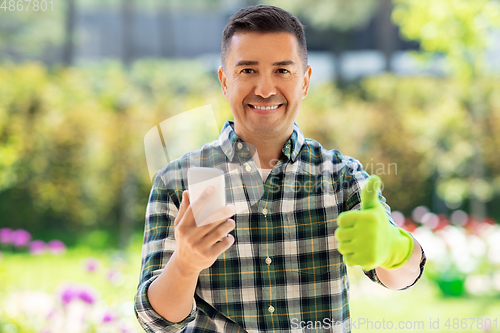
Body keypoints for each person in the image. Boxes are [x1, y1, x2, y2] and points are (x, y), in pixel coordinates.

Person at [134, 5, 426, 333]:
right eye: (247, 71)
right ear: (224, 81)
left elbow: (404, 278)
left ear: (305, 81)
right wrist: (185, 264)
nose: (265, 89)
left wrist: (392, 249)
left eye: (282, 71)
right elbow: (156, 321)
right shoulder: (176, 182)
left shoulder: (340, 177)